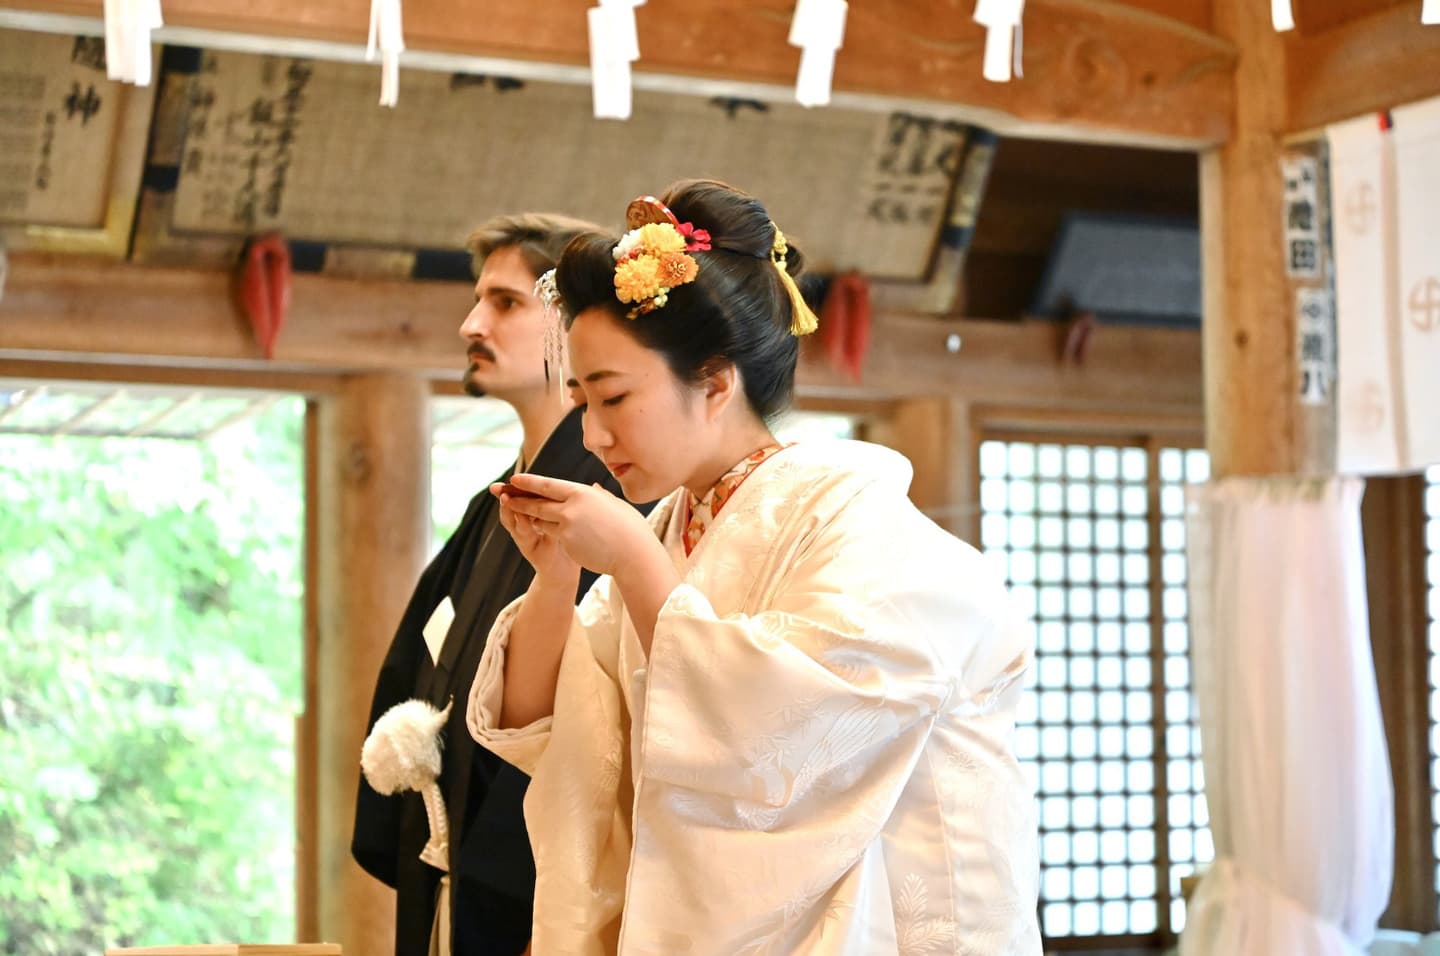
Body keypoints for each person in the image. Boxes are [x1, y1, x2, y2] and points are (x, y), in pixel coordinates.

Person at [465, 180, 1041, 955]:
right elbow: (563, 726)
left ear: (714, 382)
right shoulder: (672, 528)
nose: (594, 436)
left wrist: (632, 560)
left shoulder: (853, 517)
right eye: (582, 403)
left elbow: (789, 734)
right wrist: (555, 576)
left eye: (614, 398)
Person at [352, 213, 646, 956]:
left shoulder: (613, 502)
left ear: (571, 322)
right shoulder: (495, 504)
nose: (471, 325)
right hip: (451, 857)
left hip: (530, 883)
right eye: (478, 299)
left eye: (505, 302)